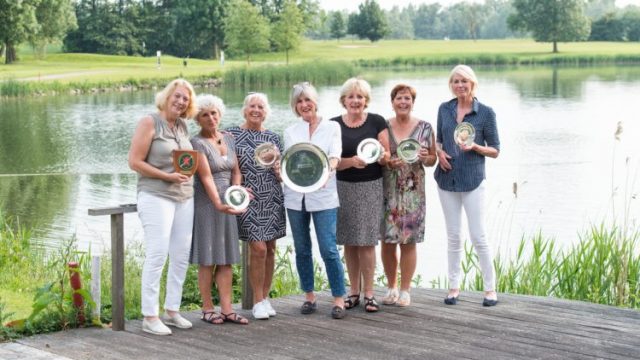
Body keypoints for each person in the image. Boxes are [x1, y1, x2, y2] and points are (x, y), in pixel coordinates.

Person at [128, 78, 198, 335]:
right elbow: (134, 162)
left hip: (184, 197)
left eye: (186, 99)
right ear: (167, 96)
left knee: (180, 256)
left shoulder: (181, 125)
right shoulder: (149, 122)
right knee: (157, 254)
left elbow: (186, 160)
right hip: (156, 195)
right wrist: (167, 176)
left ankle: (172, 310)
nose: (181, 102)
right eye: (177, 96)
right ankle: (149, 316)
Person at [435, 65, 500, 307]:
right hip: (446, 180)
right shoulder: (444, 109)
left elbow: (495, 150)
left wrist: (475, 147)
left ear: (472, 84)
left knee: (478, 236)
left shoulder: (485, 113)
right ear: (451, 84)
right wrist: (439, 154)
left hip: (473, 181)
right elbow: (439, 141)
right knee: (453, 236)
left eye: (464, 81)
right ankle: (453, 288)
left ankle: (490, 290)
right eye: (456, 81)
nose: (460, 85)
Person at [284, 82, 347, 319]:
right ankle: (309, 296)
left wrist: (326, 173)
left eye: (307, 100)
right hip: (294, 197)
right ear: (295, 106)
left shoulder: (332, 127)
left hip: (324, 195)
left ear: (315, 101)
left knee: (329, 249)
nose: (304, 105)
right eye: (299, 102)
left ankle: (339, 299)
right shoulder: (290, 131)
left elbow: (334, 157)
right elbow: (289, 162)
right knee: (302, 249)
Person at [331, 78, 389, 313]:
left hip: (370, 186)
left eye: (360, 97)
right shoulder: (333, 125)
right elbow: (331, 162)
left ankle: (370, 294)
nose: (355, 101)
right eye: (351, 96)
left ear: (366, 100)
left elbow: (386, 156)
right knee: (349, 242)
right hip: (343, 187)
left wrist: (382, 154)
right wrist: (350, 162)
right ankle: (353, 292)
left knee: (366, 242)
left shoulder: (377, 121)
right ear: (343, 100)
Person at [190, 94, 248, 325]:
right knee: (208, 258)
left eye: (214, 113)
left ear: (220, 114)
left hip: (229, 203)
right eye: (205, 114)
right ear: (198, 119)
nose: (211, 118)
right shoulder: (197, 143)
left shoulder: (229, 139)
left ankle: (227, 309)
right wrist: (218, 203)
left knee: (226, 259)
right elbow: (205, 177)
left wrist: (237, 193)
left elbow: (236, 170)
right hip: (207, 203)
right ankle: (207, 308)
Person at [227, 93, 286, 320]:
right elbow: (232, 168)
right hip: (249, 198)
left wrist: (279, 169)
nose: (256, 110)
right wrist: (237, 190)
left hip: (272, 196)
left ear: (266, 112)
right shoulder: (232, 134)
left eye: (260, 107)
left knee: (271, 249)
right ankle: (257, 300)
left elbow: (280, 174)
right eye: (252, 106)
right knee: (258, 249)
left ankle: (266, 296)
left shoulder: (273, 137)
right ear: (245, 110)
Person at [381, 84, 436, 307]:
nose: (403, 102)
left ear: (413, 102)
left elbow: (432, 160)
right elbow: (378, 155)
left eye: (407, 99)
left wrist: (425, 157)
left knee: (408, 241)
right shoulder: (382, 126)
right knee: (387, 241)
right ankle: (391, 287)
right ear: (392, 102)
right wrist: (386, 160)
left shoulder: (425, 128)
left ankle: (405, 290)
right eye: (399, 98)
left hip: (413, 193)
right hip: (388, 190)